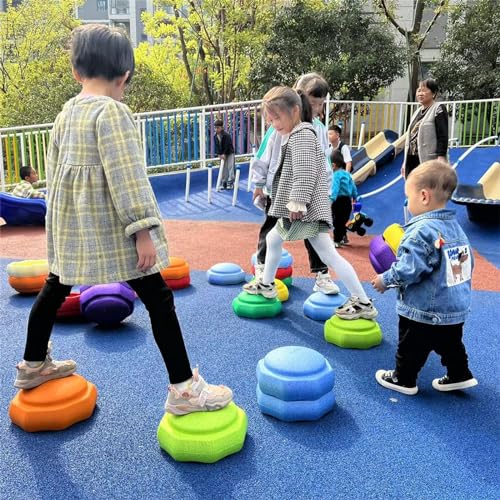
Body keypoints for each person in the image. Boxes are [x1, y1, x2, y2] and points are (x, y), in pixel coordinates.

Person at [13, 24, 232, 416]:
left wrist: (57, 229)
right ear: (125, 75)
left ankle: (32, 365)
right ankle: (184, 390)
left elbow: (55, 173)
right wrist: (142, 230)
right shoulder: (113, 112)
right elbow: (127, 176)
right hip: (112, 229)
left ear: (76, 73)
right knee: (159, 299)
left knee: (54, 288)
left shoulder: (67, 112)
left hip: (73, 227)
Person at [243, 86, 377, 321]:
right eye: (270, 120)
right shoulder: (296, 133)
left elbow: (305, 172)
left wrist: (297, 202)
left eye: (277, 118)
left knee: (328, 255)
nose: (273, 124)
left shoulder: (302, 134)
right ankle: (266, 284)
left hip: (306, 209)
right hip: (307, 208)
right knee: (275, 239)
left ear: (294, 111)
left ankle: (362, 300)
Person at [372, 161, 478, 395]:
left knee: (410, 345)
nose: (407, 204)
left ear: (423, 196)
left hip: (424, 309)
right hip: (454, 308)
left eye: (408, 198)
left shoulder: (421, 230)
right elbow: (468, 261)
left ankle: (403, 378)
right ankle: (459, 374)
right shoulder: (456, 228)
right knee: (451, 344)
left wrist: (385, 279)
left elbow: (410, 268)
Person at [250, 72, 340, 295]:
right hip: (279, 192)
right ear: (297, 101)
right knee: (270, 230)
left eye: (320, 105)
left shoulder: (319, 129)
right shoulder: (278, 126)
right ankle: (262, 270)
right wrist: (258, 184)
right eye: (312, 103)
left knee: (314, 236)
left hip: (306, 195)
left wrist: (326, 192)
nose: (316, 109)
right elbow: (263, 156)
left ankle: (322, 274)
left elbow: (324, 163)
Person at [402, 78, 448, 179]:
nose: (420, 93)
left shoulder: (438, 108)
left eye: (424, 90)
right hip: (412, 158)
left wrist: (441, 157)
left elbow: (443, 135)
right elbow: (410, 138)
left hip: (429, 159)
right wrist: (405, 162)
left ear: (434, 93)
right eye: (419, 90)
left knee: (429, 188)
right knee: (414, 189)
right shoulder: (417, 112)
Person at [330, 150, 357, 248]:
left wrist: (331, 200)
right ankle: (342, 237)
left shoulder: (336, 175)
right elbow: (353, 187)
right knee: (343, 220)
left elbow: (335, 189)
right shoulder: (347, 174)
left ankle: (337, 240)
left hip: (338, 201)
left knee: (337, 221)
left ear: (333, 165)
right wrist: (355, 197)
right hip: (347, 201)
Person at [214, 119, 235, 190]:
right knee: (223, 168)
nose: (216, 129)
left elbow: (227, 145)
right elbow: (216, 146)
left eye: (218, 127)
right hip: (222, 154)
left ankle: (230, 182)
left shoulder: (226, 135)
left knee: (230, 166)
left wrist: (224, 154)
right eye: (215, 128)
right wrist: (219, 154)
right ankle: (224, 182)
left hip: (229, 152)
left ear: (222, 128)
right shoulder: (215, 136)